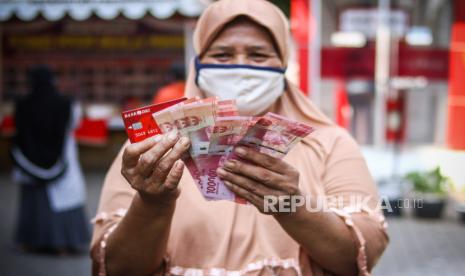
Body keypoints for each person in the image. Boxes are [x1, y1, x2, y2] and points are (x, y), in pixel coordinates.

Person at [91, 0, 388, 275]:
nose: (240, 66)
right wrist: (152, 203)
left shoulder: (329, 143)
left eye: (258, 55)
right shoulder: (154, 149)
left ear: (283, 64)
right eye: (222, 55)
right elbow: (116, 268)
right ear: (199, 64)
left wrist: (292, 205)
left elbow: (359, 256)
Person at [11, 65, 90, 254]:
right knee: (62, 201)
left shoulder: (22, 103)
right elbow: (74, 124)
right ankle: (62, 242)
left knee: (35, 203)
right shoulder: (65, 104)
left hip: (28, 162)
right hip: (61, 161)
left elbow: (18, 130)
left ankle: (32, 241)